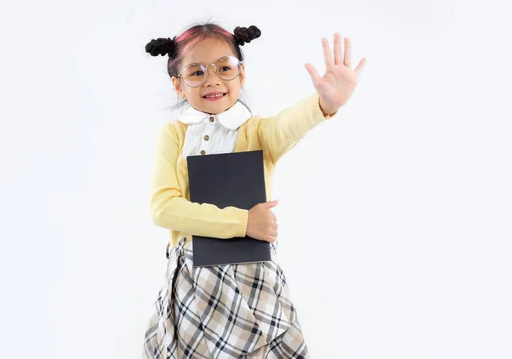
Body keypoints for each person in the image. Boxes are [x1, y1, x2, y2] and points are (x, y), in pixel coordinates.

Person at [141, 22, 366, 358]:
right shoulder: (174, 135)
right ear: (177, 84)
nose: (212, 79)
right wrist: (244, 222)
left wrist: (324, 103)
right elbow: (163, 207)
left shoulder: (258, 133)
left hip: (252, 275)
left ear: (241, 75)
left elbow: (289, 124)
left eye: (224, 68)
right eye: (196, 71)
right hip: (193, 277)